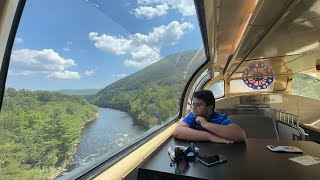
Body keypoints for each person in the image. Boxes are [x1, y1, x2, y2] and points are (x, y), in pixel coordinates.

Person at [173, 90, 246, 143]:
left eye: (198, 105)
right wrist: (209, 136)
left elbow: (240, 135)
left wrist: (206, 124)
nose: (194, 108)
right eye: (193, 104)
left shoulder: (219, 118)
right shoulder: (193, 116)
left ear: (209, 107)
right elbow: (177, 131)